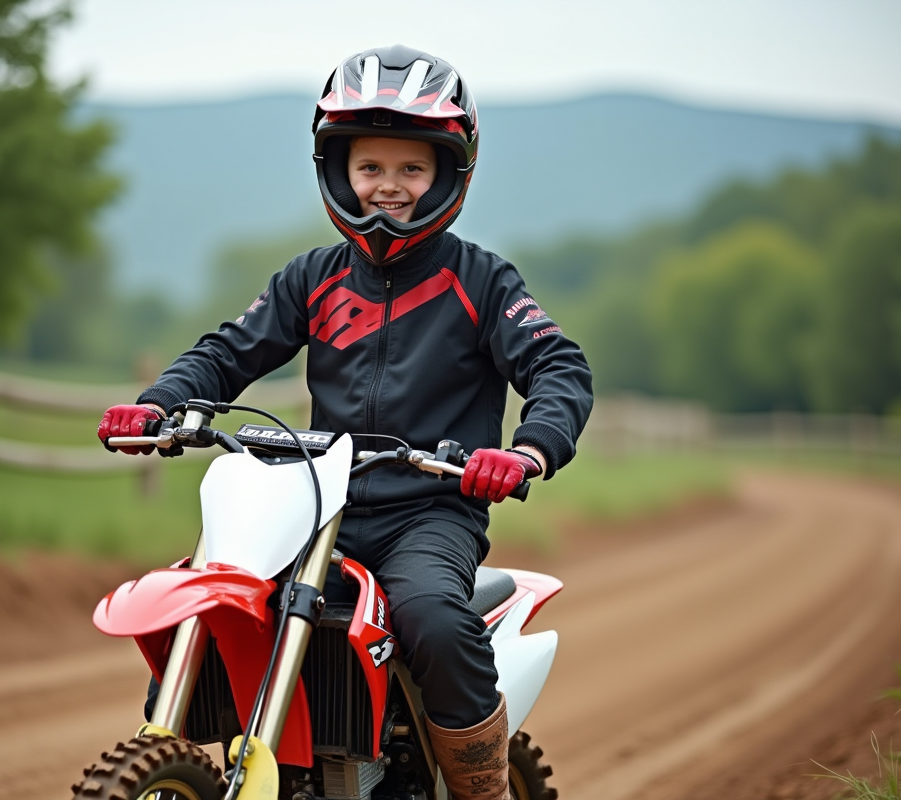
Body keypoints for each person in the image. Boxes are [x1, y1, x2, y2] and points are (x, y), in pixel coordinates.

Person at [98, 45, 593, 800]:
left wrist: (526, 451)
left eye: (410, 169)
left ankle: (482, 789)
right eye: (369, 168)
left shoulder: (481, 281)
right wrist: (163, 402)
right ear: (338, 172)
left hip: (428, 511)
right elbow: (230, 352)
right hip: (314, 505)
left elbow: (558, 367)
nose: (388, 187)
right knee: (224, 593)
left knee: (431, 615)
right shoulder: (313, 278)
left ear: (447, 174)